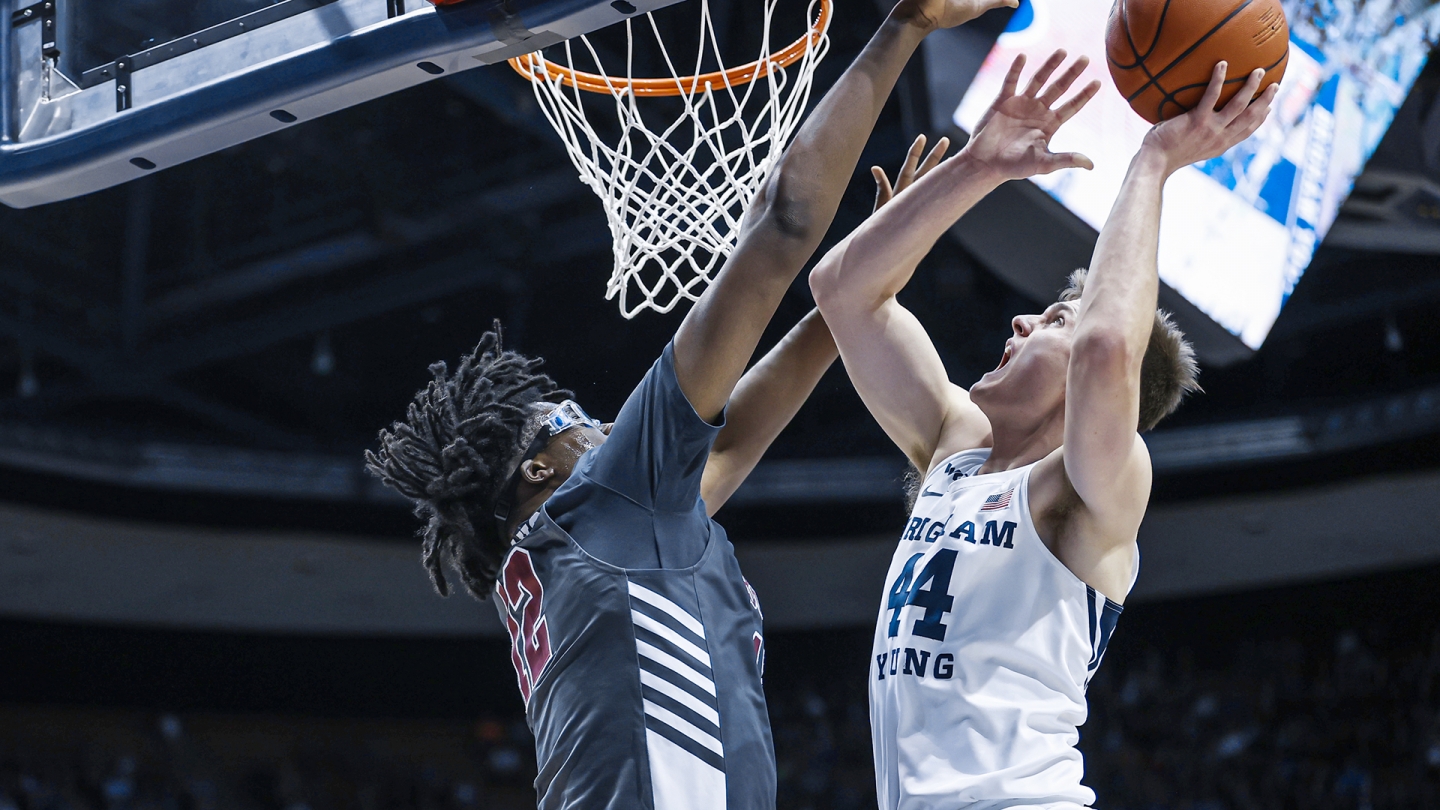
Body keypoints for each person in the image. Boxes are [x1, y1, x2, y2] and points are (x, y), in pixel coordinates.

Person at [364, 0, 1015, 806]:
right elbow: (780, 226)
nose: (602, 424)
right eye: (573, 422)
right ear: (537, 469)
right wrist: (904, 24)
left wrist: (866, 269)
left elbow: (736, 432)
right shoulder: (605, 509)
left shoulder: (603, 534)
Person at [810, 56, 1278, 809]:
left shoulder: (1097, 490)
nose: (1020, 321)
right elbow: (842, 292)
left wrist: (1154, 163)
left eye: (1054, 318)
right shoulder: (952, 450)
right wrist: (978, 166)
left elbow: (1105, 350)